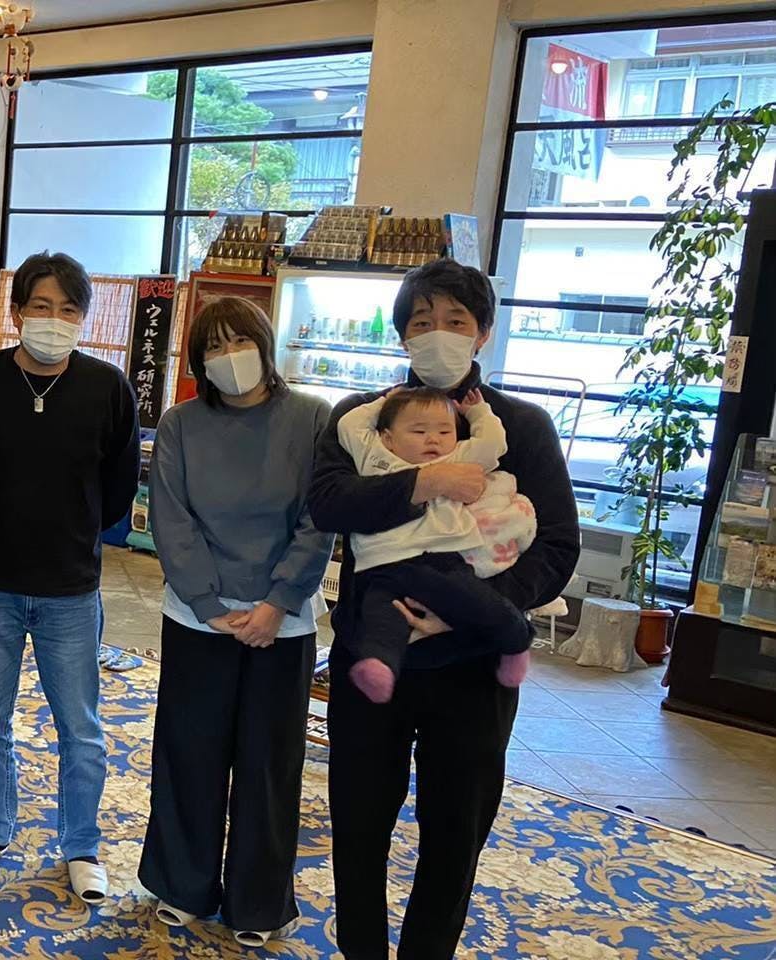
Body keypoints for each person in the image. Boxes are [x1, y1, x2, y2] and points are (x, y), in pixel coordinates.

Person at [309, 258, 580, 960]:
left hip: (473, 668)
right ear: (402, 335)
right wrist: (425, 480)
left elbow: (557, 547)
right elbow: (328, 503)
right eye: (422, 322)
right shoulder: (363, 419)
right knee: (358, 826)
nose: (438, 335)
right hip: (372, 656)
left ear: (483, 333)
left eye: (456, 321)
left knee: (456, 833)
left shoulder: (521, 426)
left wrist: (474, 610)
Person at [138, 296, 333, 948]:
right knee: (188, 755)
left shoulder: (313, 417)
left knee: (269, 765)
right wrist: (209, 604)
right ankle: (181, 884)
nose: (229, 356)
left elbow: (319, 519)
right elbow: (171, 519)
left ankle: (260, 901)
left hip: (284, 621)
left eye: (239, 341)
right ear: (199, 361)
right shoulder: (181, 423)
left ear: (265, 344)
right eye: (213, 347)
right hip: (199, 618)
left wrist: (277, 602)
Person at [0, 250, 140, 902]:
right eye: (41, 306)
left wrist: (73, 534)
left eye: (68, 309)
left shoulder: (107, 387)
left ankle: (81, 844)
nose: (54, 319)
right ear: (16, 312)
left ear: (83, 318)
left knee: (80, 729)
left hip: (71, 589)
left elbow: (118, 490)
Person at [335, 385, 536, 703]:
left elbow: (493, 443)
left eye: (445, 431)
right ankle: (379, 667)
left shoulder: (457, 458)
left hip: (438, 561)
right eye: (419, 431)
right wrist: (382, 403)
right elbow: (348, 425)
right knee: (380, 619)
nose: (433, 440)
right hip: (379, 565)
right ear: (387, 437)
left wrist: (478, 413)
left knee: (485, 606)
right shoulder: (374, 455)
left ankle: (516, 643)